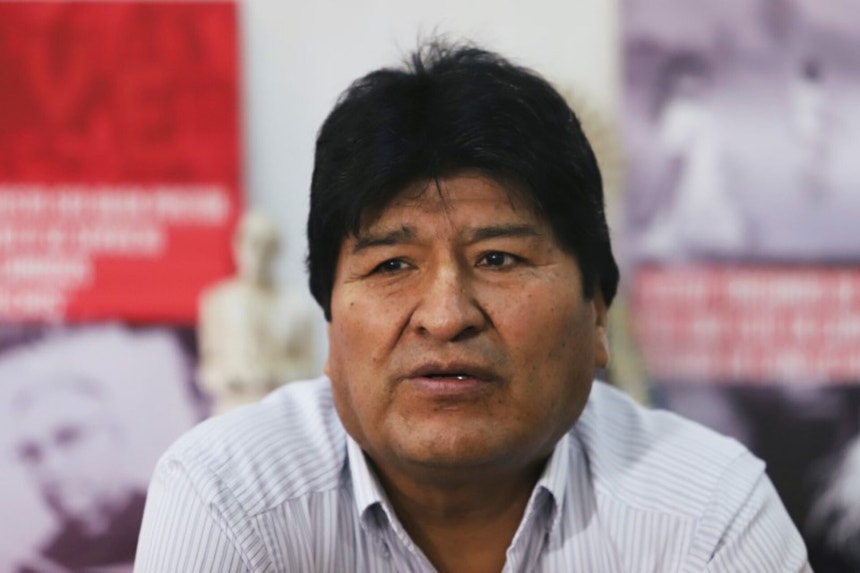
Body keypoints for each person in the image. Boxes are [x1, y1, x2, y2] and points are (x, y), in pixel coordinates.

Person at [135, 41, 810, 572]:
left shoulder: (707, 514)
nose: (446, 314)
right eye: (392, 265)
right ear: (331, 328)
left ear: (599, 313)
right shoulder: (230, 498)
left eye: (499, 259)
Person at [12, 374, 145, 573]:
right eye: (32, 453)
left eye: (68, 437)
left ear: (116, 436)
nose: (51, 467)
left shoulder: (177, 521)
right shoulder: (36, 566)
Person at [197, 210, 316, 414]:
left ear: (277, 250)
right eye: (253, 243)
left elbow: (308, 367)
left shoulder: (297, 306)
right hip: (232, 410)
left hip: (280, 411)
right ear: (237, 246)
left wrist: (273, 374)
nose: (259, 254)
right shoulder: (217, 302)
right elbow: (208, 370)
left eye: (267, 245)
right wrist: (236, 377)